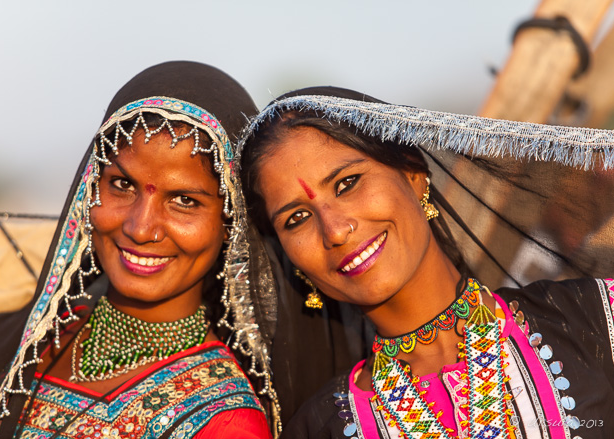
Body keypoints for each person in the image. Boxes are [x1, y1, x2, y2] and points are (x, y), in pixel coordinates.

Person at [239, 86, 614, 438]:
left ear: (413, 174)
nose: (335, 230)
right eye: (296, 219)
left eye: (347, 183)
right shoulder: (318, 428)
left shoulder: (594, 319)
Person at [0, 61, 277, 439]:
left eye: (185, 201)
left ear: (232, 222)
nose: (140, 227)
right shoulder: (16, 340)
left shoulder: (225, 423)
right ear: (89, 189)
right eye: (122, 184)